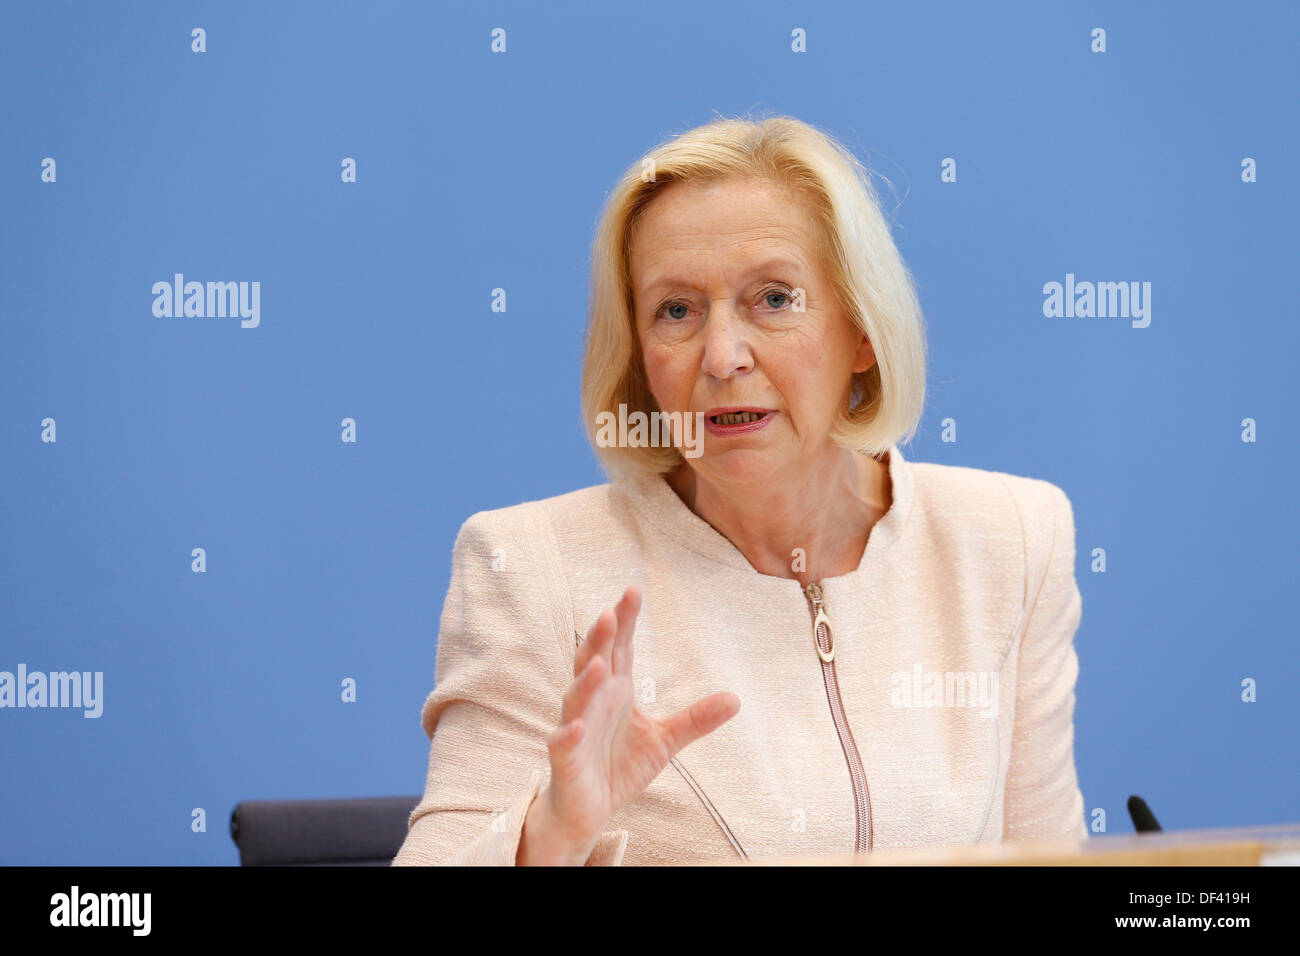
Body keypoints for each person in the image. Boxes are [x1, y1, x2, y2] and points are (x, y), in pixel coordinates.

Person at [392, 114, 1087, 866]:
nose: (722, 356)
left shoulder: (1011, 539)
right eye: (677, 311)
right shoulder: (531, 567)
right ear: (639, 355)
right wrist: (552, 831)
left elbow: (1049, 856)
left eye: (774, 299)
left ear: (862, 331)